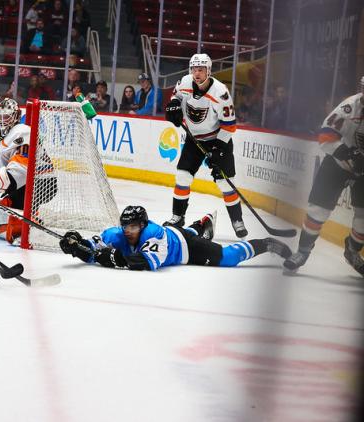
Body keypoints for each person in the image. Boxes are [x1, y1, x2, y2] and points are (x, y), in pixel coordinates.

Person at [283, 76, 364, 277]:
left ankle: (352, 251)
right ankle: (302, 251)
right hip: (338, 164)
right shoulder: (349, 107)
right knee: (318, 211)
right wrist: (347, 153)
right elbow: (326, 135)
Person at [163, 53, 247, 238]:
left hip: (219, 139)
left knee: (224, 182)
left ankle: (237, 220)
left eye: (201, 69)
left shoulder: (220, 92)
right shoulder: (184, 82)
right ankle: (178, 216)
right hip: (194, 140)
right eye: (194, 69)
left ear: (209, 70)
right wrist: (174, 106)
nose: (197, 73)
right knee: (182, 176)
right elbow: (175, 97)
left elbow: (229, 125)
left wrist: (217, 149)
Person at [60, 205, 291, 271]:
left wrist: (108, 257)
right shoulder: (115, 234)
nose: (127, 231)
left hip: (184, 248)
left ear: (143, 225)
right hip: (174, 235)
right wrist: (77, 245)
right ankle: (201, 224)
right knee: (186, 231)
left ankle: (265, 243)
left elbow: (142, 263)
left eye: (133, 226)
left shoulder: (153, 233)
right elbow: (94, 247)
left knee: (228, 257)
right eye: (125, 227)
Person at [0, 98, 56, 244]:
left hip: (43, 182)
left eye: (7, 116)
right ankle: (28, 217)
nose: (3, 121)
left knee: (13, 200)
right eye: (0, 117)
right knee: (6, 203)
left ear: (16, 116)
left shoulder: (22, 131)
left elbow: (20, 170)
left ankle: (27, 224)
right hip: (22, 180)